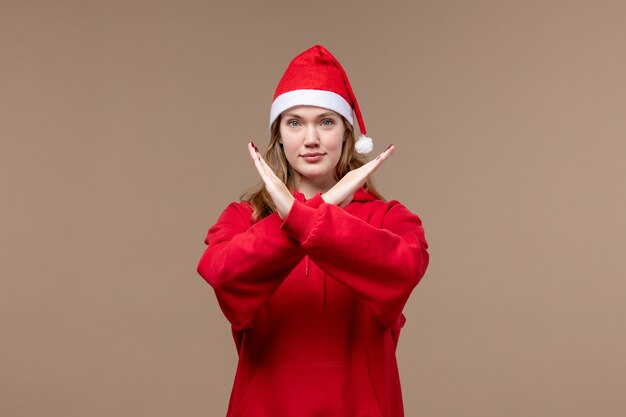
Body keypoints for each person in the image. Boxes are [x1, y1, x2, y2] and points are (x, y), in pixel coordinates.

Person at [197, 44, 430, 417]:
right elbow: (221, 273)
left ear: (346, 133)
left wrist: (306, 216)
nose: (310, 139)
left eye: (325, 121)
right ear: (279, 135)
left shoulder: (390, 218)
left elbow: (404, 269)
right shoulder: (244, 217)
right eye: (295, 123)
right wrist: (307, 214)